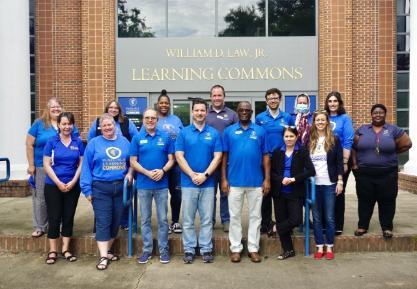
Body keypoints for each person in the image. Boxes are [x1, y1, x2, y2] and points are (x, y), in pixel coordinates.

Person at [80, 113, 134, 270]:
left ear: (115, 126)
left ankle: (107, 250)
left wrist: (130, 173)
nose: (108, 128)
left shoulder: (124, 142)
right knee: (103, 221)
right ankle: (103, 256)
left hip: (120, 188)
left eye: (110, 125)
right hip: (100, 188)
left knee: (116, 221)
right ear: (100, 128)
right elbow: (86, 168)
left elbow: (131, 161)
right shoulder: (94, 143)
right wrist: (87, 190)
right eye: (104, 126)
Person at [352, 104, 412, 239]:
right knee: (364, 200)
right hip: (365, 173)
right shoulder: (362, 129)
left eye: (380, 112)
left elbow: (407, 143)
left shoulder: (393, 129)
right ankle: (362, 226)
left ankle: (387, 227)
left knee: (388, 200)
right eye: (375, 113)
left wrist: (393, 151)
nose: (378, 115)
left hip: (387, 173)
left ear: (385, 114)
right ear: (371, 115)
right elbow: (353, 147)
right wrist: (355, 164)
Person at [221, 101, 270, 263]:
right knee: (234, 216)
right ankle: (235, 248)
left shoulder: (260, 131)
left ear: (251, 112)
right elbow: (224, 157)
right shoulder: (228, 131)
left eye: (247, 110)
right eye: (241, 110)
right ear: (237, 111)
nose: (244, 112)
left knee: (255, 216)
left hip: (256, 181)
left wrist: (267, 179)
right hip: (234, 181)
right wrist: (223, 178)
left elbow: (266, 157)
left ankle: (253, 248)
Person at [175, 98, 222, 264]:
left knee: (207, 219)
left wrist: (205, 175)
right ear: (192, 112)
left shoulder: (214, 133)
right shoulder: (184, 133)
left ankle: (206, 248)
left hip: (208, 184)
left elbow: (218, 156)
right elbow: (179, 156)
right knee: (187, 219)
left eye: (203, 110)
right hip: (188, 184)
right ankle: (189, 249)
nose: (200, 113)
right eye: (197, 110)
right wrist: (192, 175)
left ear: (206, 112)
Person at [26, 97, 79, 238]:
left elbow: (76, 143)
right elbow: (29, 144)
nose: (56, 109)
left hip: (65, 168)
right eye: (52, 107)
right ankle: (40, 226)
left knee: (61, 197)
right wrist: (31, 165)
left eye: (58, 106)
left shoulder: (68, 123)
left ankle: (59, 225)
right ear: (47, 109)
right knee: (41, 197)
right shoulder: (39, 124)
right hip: (42, 166)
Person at [130, 108, 175, 264]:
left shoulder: (166, 137)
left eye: (153, 118)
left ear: (157, 120)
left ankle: (163, 250)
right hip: (143, 185)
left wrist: (162, 170)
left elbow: (171, 159)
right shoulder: (137, 138)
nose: (150, 120)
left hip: (162, 185)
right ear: (143, 120)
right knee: (145, 220)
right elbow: (133, 161)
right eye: (147, 118)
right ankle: (147, 250)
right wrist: (147, 173)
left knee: (163, 219)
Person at [87, 100, 138, 230]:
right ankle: (102, 227)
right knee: (102, 205)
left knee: (124, 198)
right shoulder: (99, 121)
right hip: (103, 166)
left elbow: (136, 138)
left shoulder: (126, 122)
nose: (113, 109)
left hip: (123, 166)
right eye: (111, 107)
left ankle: (125, 223)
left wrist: (132, 153)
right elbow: (90, 138)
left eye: (116, 108)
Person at [43, 112, 84, 264]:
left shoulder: (78, 141)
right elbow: (46, 164)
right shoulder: (51, 141)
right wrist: (58, 182)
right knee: (54, 218)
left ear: (73, 125)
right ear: (59, 125)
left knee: (68, 217)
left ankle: (66, 249)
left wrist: (73, 181)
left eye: (69, 124)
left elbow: (81, 163)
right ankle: (53, 250)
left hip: (72, 186)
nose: (67, 127)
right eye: (64, 124)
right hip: (53, 186)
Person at [271, 127, 315, 260]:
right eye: (286, 136)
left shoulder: (301, 151)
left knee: (296, 220)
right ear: (283, 138)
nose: (289, 139)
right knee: (282, 219)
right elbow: (272, 172)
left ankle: (276, 228)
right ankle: (288, 250)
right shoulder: (277, 152)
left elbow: (311, 171)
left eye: (291, 136)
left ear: (296, 137)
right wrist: (281, 179)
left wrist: (294, 179)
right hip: (279, 192)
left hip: (295, 192)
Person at [256, 88, 293, 235]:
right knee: (265, 193)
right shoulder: (260, 118)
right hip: (264, 159)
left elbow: (291, 136)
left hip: (281, 160)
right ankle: (265, 224)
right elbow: (257, 137)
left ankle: (283, 224)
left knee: (280, 193)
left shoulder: (287, 117)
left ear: (280, 99)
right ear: (266, 100)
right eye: (270, 98)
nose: (273, 100)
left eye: (276, 98)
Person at [309, 111, 344, 260]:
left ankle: (329, 246)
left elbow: (338, 162)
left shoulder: (334, 139)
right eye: (318, 120)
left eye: (323, 120)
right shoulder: (309, 140)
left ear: (327, 122)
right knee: (316, 218)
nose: (320, 122)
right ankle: (319, 247)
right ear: (314, 122)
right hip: (314, 185)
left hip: (329, 183)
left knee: (329, 217)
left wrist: (340, 181)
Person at [206, 84, 238, 232]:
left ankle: (226, 220)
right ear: (211, 97)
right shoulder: (205, 114)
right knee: (210, 193)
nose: (217, 98)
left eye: (220, 95)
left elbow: (237, 135)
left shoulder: (232, 115)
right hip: (210, 161)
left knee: (226, 191)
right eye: (214, 95)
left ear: (224, 97)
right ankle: (210, 220)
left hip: (227, 160)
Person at [324, 91, 354, 235]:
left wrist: (345, 161)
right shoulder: (323, 118)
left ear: (339, 103)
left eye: (335, 101)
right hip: (323, 163)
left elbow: (348, 140)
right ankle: (325, 224)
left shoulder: (345, 118)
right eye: (330, 101)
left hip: (340, 161)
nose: (332, 104)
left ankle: (337, 225)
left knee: (338, 192)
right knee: (324, 192)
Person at [155, 90, 184, 234]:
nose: (164, 105)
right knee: (161, 195)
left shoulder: (176, 120)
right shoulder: (153, 119)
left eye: (166, 103)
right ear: (157, 105)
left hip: (176, 163)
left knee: (177, 194)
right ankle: (163, 222)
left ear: (170, 105)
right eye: (161, 103)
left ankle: (175, 221)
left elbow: (182, 138)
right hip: (160, 163)